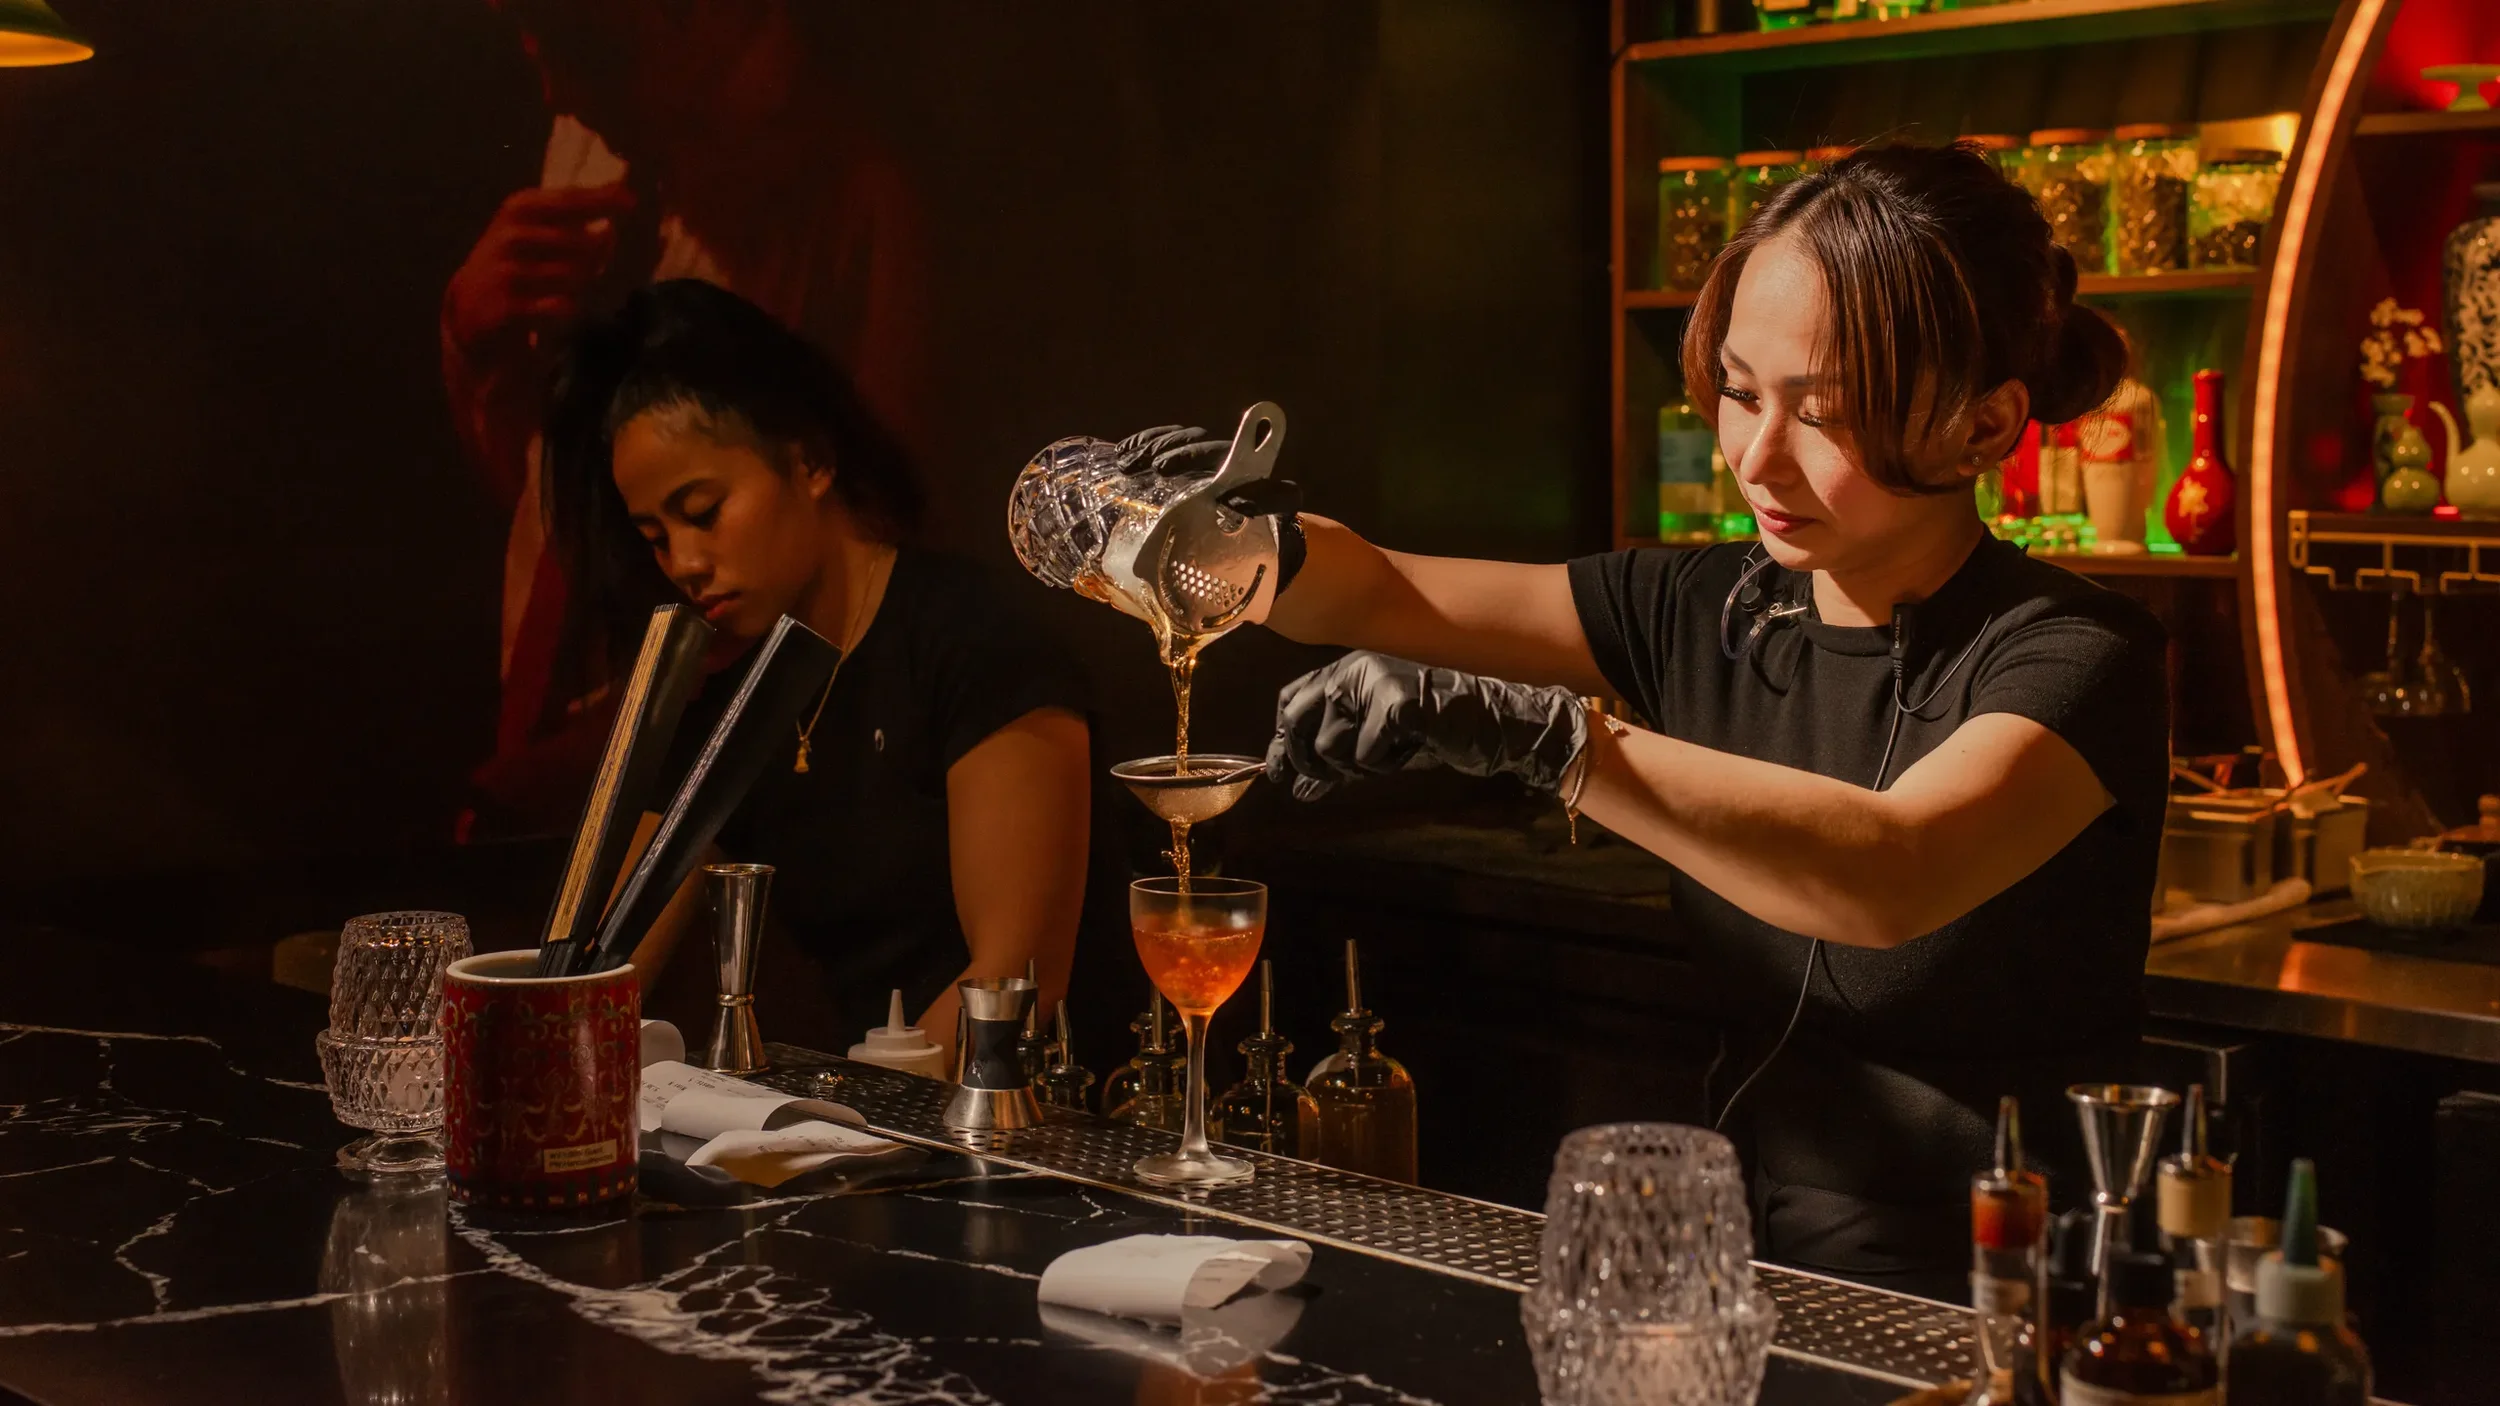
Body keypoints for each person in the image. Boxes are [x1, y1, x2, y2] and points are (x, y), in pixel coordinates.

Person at [1204, 143, 2167, 1297]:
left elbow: (1890, 870)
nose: (1758, 458)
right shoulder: (1712, 606)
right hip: (1748, 1264)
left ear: (1983, 425)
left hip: (2005, 1293)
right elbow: (1377, 591)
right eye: (1740, 391)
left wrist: (1547, 737)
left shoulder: (2076, 651)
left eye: (1827, 414)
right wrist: (1219, 537)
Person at [541, 279, 1084, 1047]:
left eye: (703, 512)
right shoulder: (738, 705)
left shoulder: (976, 639)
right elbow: (594, 970)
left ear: (811, 462)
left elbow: (1015, 981)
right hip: (873, 1120)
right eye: (656, 535)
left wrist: (862, 1127)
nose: (685, 563)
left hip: (1037, 1117)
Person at [445, 0, 928, 833]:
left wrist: (569, 774)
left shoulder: (857, 207)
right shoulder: (602, 141)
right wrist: (471, 344)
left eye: (577, 44)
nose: (557, 94)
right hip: (551, 773)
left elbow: (851, 600)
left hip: (698, 802)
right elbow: (549, 509)